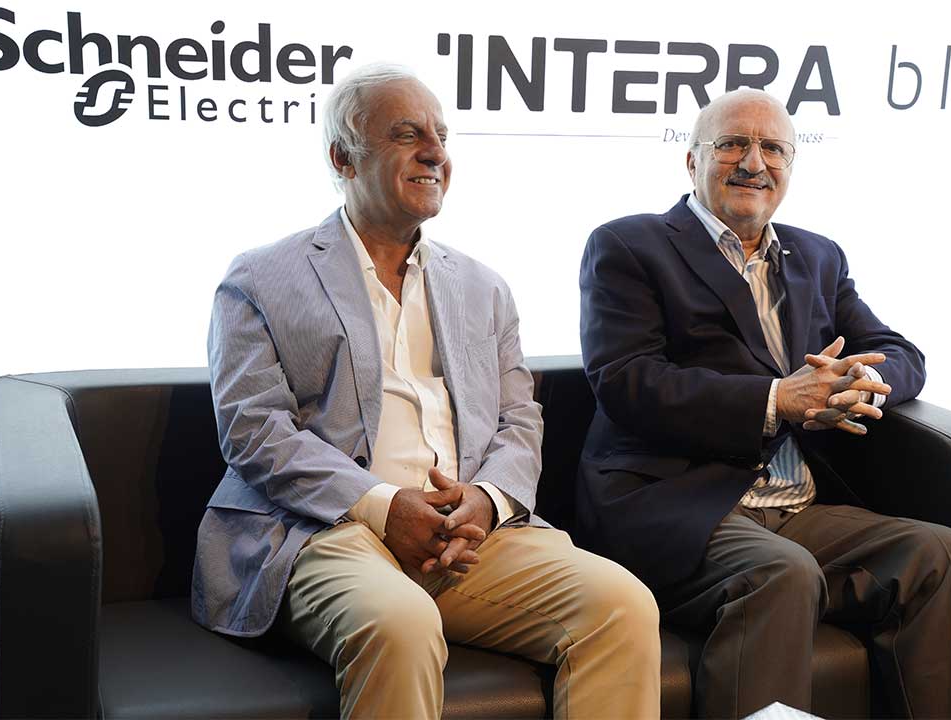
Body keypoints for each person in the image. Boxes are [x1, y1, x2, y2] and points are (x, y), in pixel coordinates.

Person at [191, 63, 661, 719]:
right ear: (343, 157)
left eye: (441, 136)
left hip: (468, 537)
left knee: (622, 605)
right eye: (408, 134)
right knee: (402, 622)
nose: (435, 152)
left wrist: (488, 501)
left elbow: (520, 419)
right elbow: (254, 431)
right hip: (322, 530)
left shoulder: (483, 287)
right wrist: (385, 507)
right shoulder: (261, 277)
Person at [576, 88, 951, 719]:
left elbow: (898, 351)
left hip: (798, 506)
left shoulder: (817, 256)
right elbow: (626, 381)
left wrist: (856, 384)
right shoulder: (629, 246)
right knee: (783, 572)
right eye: (732, 144)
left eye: (773, 149)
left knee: (941, 556)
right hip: (673, 503)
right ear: (691, 161)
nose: (754, 163)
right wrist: (777, 399)